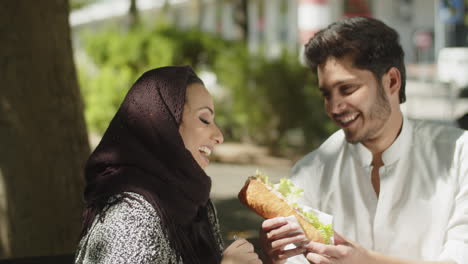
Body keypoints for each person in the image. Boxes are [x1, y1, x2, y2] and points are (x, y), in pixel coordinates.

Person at [260, 17, 468, 264]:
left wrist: (367, 261)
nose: (334, 107)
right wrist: (280, 256)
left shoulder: (459, 155)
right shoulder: (312, 171)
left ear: (392, 81)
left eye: (347, 89)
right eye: (327, 94)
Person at [74, 66, 262, 264]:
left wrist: (267, 256)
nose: (219, 136)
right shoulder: (131, 218)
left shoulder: (195, 204)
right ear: (165, 128)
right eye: (204, 119)